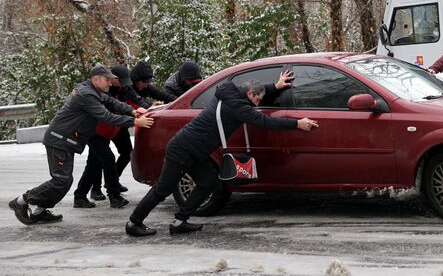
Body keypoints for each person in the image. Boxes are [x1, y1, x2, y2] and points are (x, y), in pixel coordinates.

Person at [125, 71, 318, 237]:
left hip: (197, 151)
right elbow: (266, 122)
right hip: (182, 149)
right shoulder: (238, 107)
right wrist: (297, 123)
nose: (258, 103)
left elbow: (257, 92)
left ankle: (179, 221)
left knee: (208, 182)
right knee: (163, 189)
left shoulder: (230, 91)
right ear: (249, 94)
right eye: (257, 100)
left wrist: (275, 86)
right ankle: (134, 223)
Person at [8, 65, 154, 225]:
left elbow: (112, 102)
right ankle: (21, 201)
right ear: (96, 79)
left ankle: (39, 211)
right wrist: (134, 121)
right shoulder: (86, 95)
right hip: (59, 140)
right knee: (61, 180)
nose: (110, 84)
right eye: (107, 80)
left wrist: (132, 110)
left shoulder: (93, 91)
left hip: (67, 141)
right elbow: (106, 116)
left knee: (64, 181)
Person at [76, 65, 150, 207]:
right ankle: (113, 194)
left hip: (111, 129)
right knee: (105, 159)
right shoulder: (95, 93)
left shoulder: (123, 88)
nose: (111, 83)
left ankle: (80, 195)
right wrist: (134, 118)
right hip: (95, 132)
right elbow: (109, 113)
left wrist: (146, 108)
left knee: (95, 163)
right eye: (109, 80)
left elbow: (131, 101)